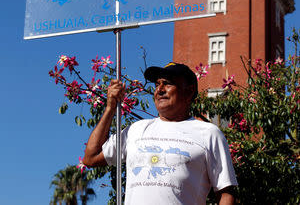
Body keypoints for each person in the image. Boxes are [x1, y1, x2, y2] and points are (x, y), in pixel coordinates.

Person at [83, 62, 238, 204]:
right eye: (157, 84)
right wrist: (110, 108)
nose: (160, 90)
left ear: (189, 91)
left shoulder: (208, 133)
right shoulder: (136, 129)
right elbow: (91, 158)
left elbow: (226, 193)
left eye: (168, 83)